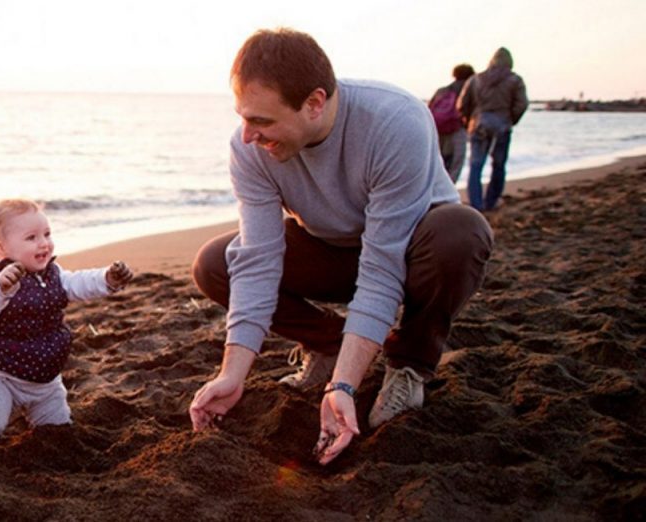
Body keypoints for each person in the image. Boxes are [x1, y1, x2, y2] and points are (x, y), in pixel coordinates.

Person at [186, 28, 494, 465]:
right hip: (329, 249)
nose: (248, 135)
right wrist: (232, 374)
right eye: (243, 117)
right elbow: (257, 261)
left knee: (462, 233)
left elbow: (382, 267)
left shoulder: (395, 120)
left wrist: (344, 388)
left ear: (314, 102)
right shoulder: (248, 147)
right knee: (217, 263)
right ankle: (330, 345)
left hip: (412, 251)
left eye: (262, 120)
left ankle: (409, 363)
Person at [0, 199, 134, 452]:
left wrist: (108, 278)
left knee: (57, 433)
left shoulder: (52, 274)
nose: (44, 243)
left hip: (44, 381)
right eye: (31, 237)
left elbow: (77, 283)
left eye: (47, 234)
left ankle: (37, 419)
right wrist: (1, 288)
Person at [458, 47, 529, 211]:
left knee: (475, 165)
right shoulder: (515, 80)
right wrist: (511, 119)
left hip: (479, 124)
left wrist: (469, 120)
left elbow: (462, 104)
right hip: (502, 124)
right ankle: (491, 201)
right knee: (498, 164)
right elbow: (522, 104)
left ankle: (476, 203)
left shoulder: (476, 79)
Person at [429, 63, 475, 182]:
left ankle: (435, 191)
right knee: (455, 163)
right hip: (457, 129)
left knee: (439, 162)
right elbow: (469, 110)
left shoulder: (442, 90)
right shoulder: (468, 89)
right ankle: (448, 192)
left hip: (438, 129)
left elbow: (429, 109)